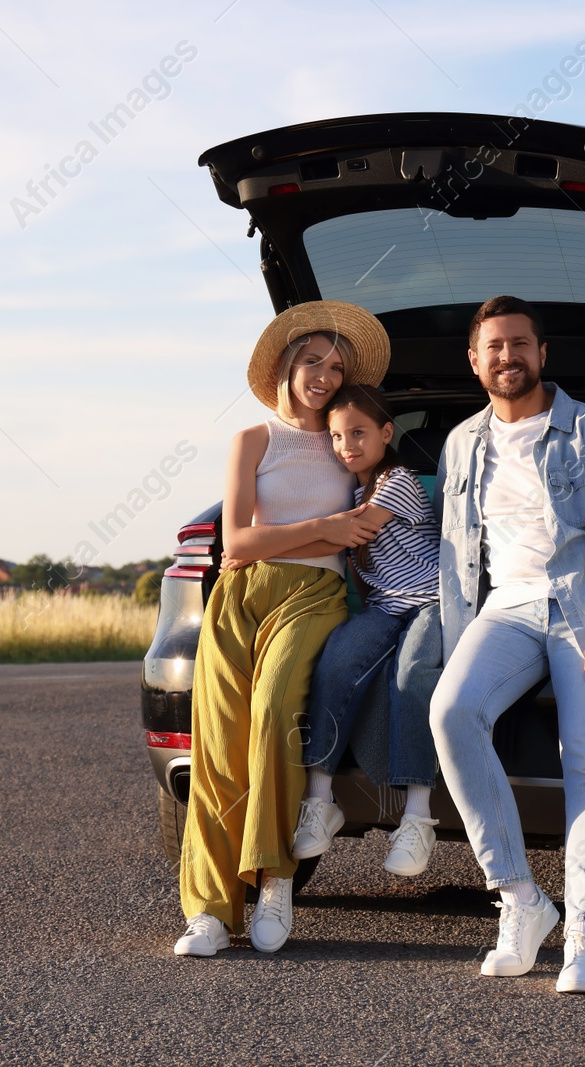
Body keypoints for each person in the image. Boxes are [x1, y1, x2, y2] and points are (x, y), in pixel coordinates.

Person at [429, 295, 585, 995]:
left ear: (543, 353)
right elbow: (454, 558)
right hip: (503, 611)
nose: (508, 357)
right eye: (494, 347)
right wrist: (455, 643)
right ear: (474, 361)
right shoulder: (461, 443)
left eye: (520, 344)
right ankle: (520, 898)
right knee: (451, 712)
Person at [174, 300, 390, 958]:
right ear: (284, 370)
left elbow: (379, 513)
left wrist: (292, 540)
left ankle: (275, 878)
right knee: (218, 742)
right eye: (312, 362)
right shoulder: (252, 440)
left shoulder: (347, 441)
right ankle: (209, 911)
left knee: (272, 715)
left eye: (336, 365)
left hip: (315, 594)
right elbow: (235, 539)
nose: (325, 374)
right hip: (240, 597)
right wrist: (325, 528)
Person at [292, 384, 444, 876]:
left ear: (384, 433)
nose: (346, 445)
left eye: (358, 432)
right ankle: (320, 800)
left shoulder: (396, 480)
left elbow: (354, 531)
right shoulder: (351, 491)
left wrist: (260, 541)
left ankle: (417, 817)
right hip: (385, 607)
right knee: (336, 661)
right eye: (336, 436)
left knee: (412, 673)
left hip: (432, 602)